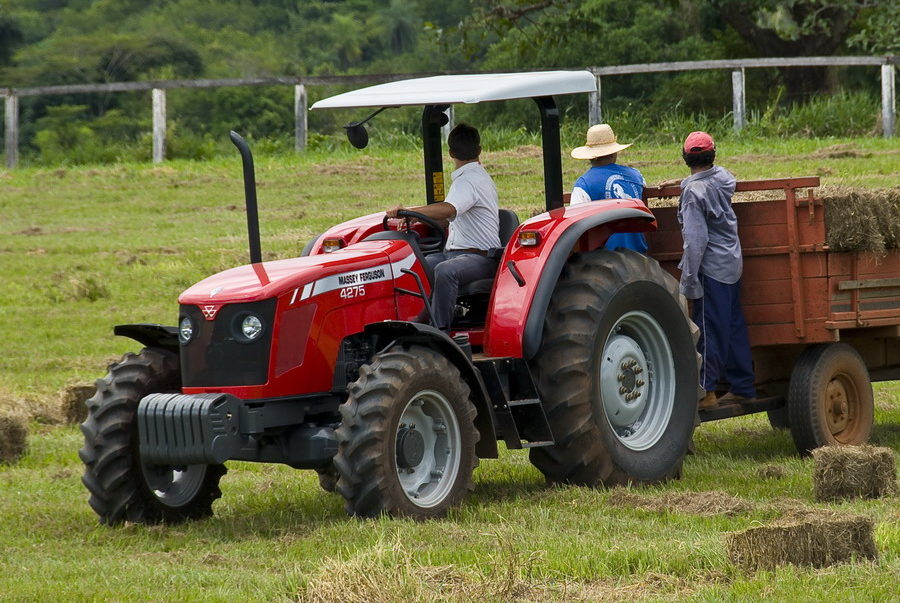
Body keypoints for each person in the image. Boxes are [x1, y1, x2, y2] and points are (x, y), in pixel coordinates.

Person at [386, 123, 500, 332]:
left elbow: (448, 210)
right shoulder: (471, 179)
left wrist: (409, 211)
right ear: (479, 149)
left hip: (482, 258)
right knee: (418, 264)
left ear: (450, 153)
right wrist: (417, 218)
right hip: (456, 254)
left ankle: (439, 331)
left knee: (445, 270)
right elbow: (449, 218)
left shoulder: (469, 180)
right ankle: (417, 321)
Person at [677, 131, 756, 409]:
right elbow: (708, 178)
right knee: (733, 325)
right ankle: (743, 385)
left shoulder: (692, 194)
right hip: (732, 262)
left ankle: (707, 391)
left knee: (709, 330)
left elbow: (696, 242)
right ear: (713, 156)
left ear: (686, 157)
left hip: (710, 268)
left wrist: (687, 281)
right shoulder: (724, 178)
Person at [570, 123, 648, 253]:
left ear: (590, 156)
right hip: (638, 254)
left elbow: (575, 226)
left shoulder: (583, 185)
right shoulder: (636, 175)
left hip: (604, 258)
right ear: (613, 153)